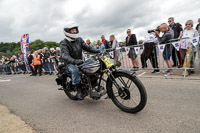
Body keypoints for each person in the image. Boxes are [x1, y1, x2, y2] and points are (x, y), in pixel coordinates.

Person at [61, 23, 101, 100]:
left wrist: (98, 51)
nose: (75, 31)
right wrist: (74, 61)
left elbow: (88, 47)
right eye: (72, 30)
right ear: (67, 31)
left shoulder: (79, 39)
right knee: (75, 70)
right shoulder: (64, 42)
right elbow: (65, 55)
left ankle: (94, 83)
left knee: (93, 64)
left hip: (80, 61)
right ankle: (79, 90)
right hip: (70, 63)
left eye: (75, 29)